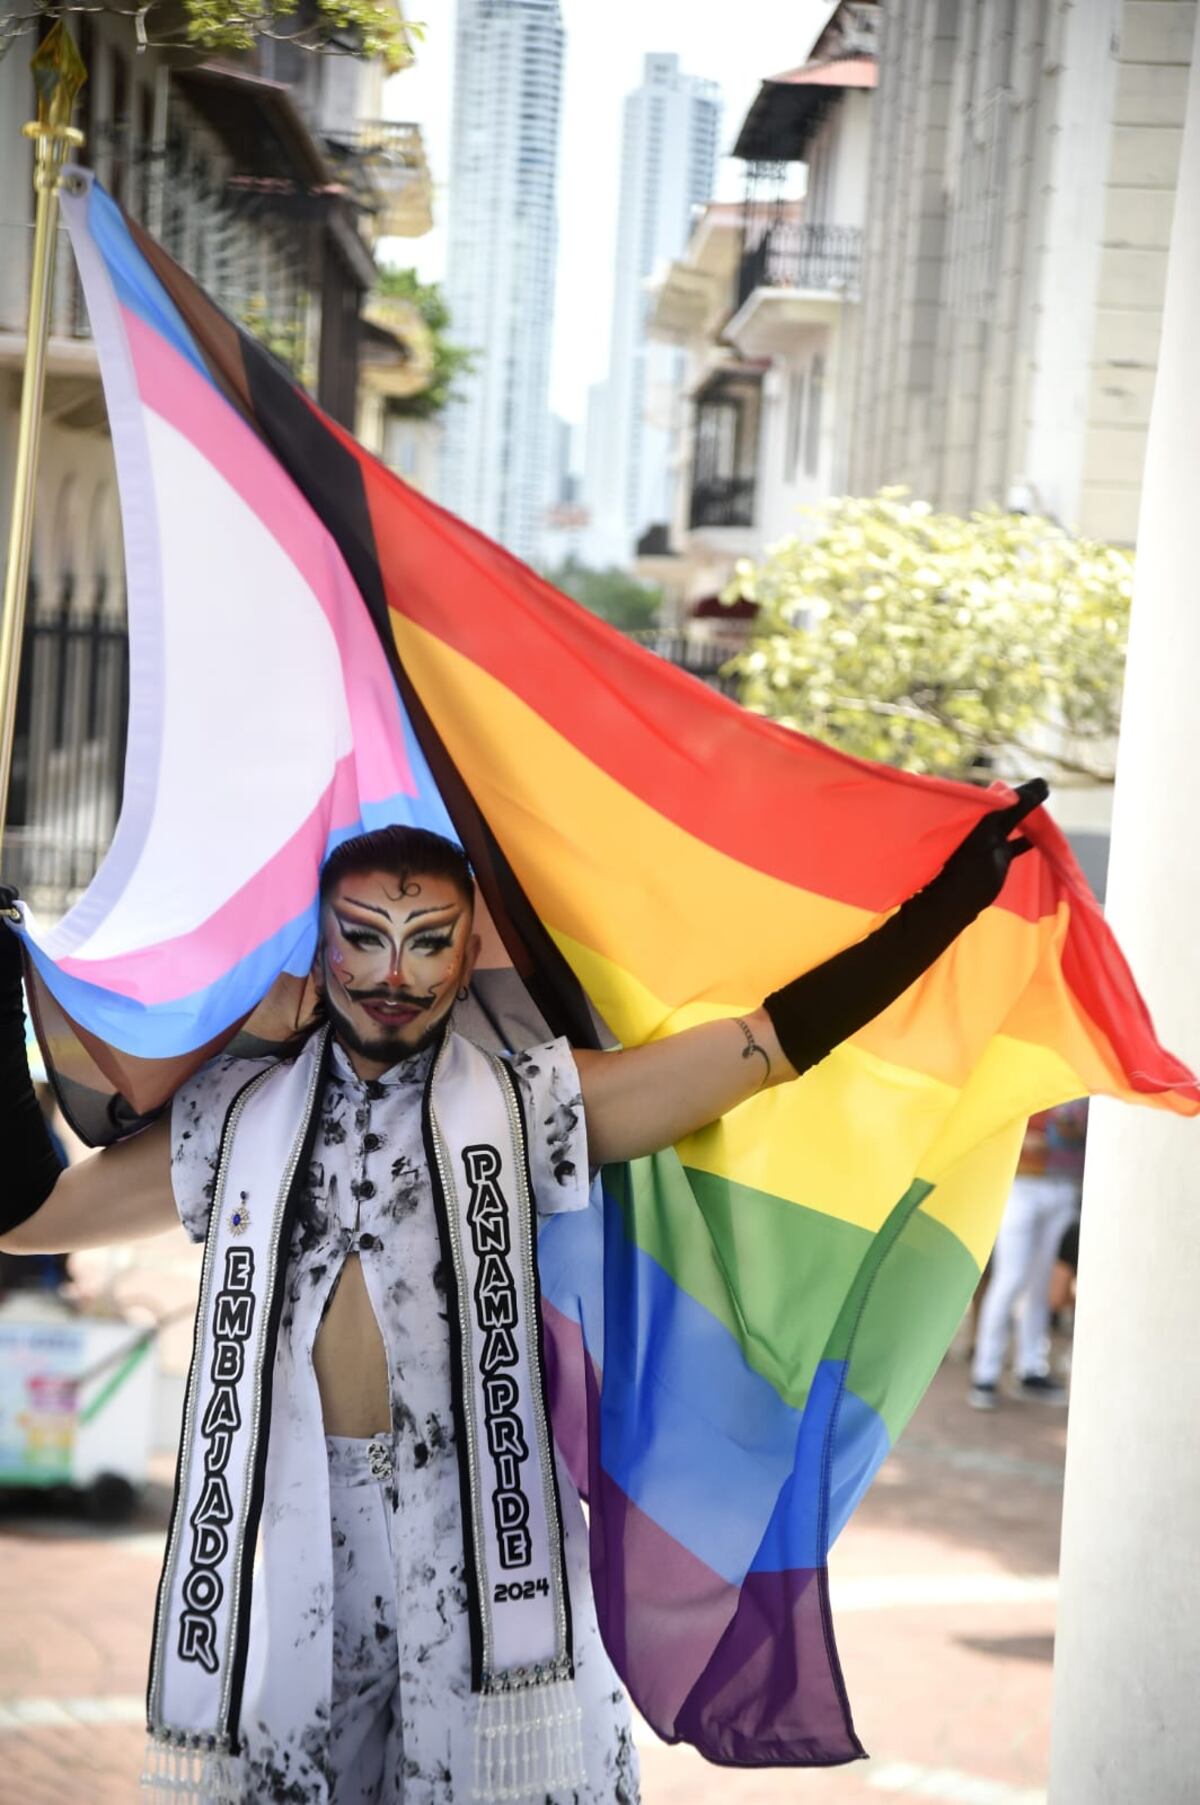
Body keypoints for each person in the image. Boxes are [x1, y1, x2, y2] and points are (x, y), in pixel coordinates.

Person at [0, 786, 1043, 1805]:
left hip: (497, 1575)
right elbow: (28, 1214)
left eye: (427, 939)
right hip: (298, 1577)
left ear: (467, 958)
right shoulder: (232, 1119)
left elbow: (766, 1046)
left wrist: (950, 902)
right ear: (320, 949)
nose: (392, 971)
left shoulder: (531, 1102)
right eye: (363, 935)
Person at [968, 1097, 1088, 1410]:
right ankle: (985, 1372)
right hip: (1021, 1184)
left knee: (1042, 1283)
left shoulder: (1080, 1076)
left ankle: (1031, 1368)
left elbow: (1076, 1130)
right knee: (1010, 1279)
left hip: (1063, 1185)